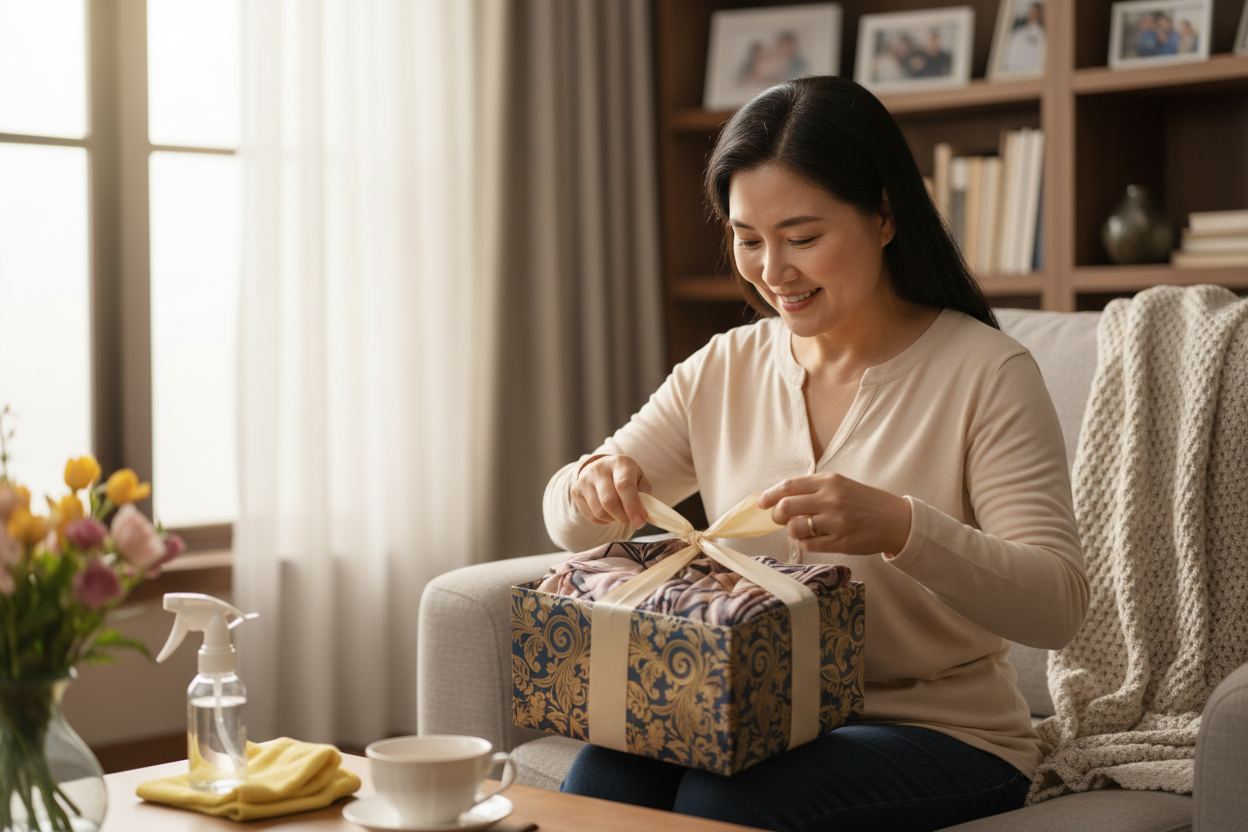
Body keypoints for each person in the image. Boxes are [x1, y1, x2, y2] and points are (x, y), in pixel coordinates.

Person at [544, 76, 1088, 832]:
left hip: (943, 734)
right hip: (763, 710)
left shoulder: (987, 373)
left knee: (725, 801)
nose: (773, 271)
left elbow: (1057, 605)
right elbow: (567, 523)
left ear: (885, 216)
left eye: (802, 238)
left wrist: (903, 528)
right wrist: (590, 487)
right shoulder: (724, 368)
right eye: (748, 239)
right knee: (600, 773)